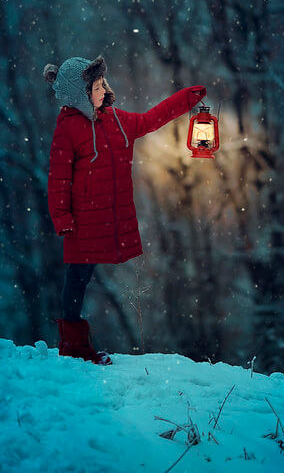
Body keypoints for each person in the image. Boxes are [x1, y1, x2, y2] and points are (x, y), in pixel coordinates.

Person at [43, 55, 207, 365]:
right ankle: (73, 346)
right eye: (96, 87)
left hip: (108, 217)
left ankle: (76, 347)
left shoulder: (116, 120)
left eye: (103, 84)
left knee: (82, 276)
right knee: (77, 278)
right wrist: (62, 218)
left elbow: (151, 119)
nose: (104, 90)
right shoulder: (68, 128)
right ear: (79, 94)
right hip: (82, 221)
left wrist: (185, 99)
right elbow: (59, 177)